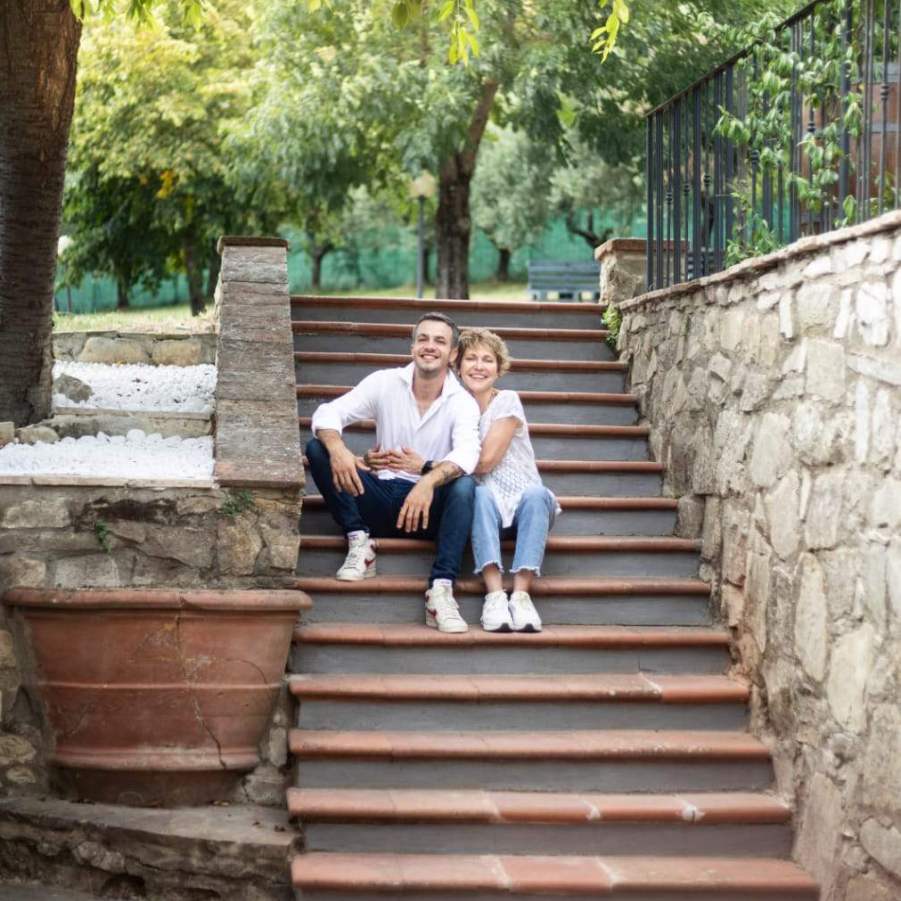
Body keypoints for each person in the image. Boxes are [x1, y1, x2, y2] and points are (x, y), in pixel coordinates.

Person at [306, 312, 480, 634]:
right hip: (380, 498)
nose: (430, 346)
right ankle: (359, 541)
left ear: (453, 353)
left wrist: (428, 480)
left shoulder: (462, 402)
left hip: (427, 511)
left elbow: (467, 454)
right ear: (412, 346)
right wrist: (340, 450)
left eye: (440, 341)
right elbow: (328, 412)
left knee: (465, 486)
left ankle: (441, 589)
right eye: (423, 339)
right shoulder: (384, 382)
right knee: (319, 448)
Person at [458, 327, 560, 632]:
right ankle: (494, 596)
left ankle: (521, 596)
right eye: (471, 358)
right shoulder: (453, 407)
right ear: (458, 365)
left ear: (498, 368)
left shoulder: (507, 401)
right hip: (485, 512)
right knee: (479, 494)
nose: (478, 366)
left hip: (524, 510)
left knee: (537, 493)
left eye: (487, 360)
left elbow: (486, 462)